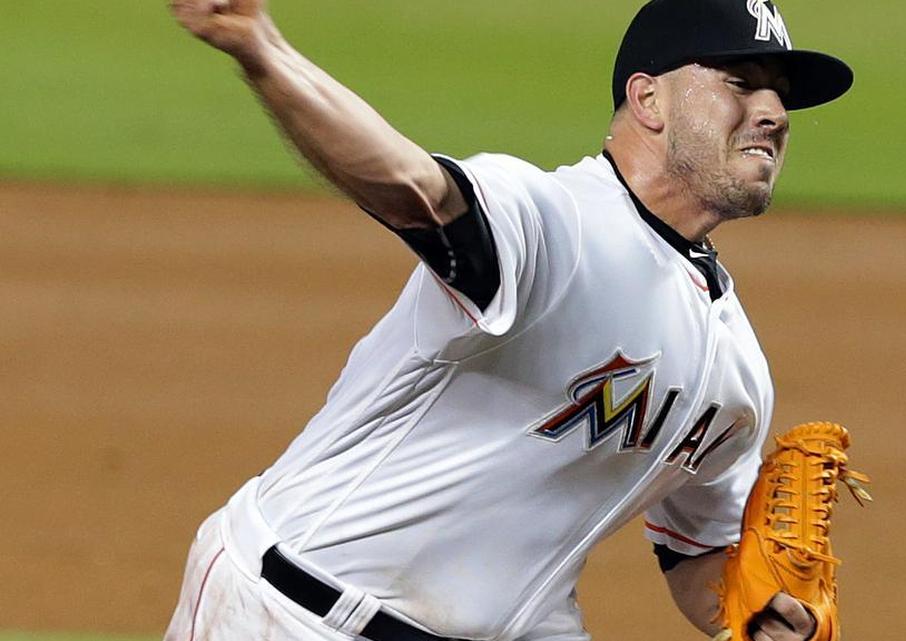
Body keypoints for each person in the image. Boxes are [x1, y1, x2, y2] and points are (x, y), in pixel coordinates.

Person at [166, 1, 853, 640]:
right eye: (741, 83)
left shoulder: (739, 368)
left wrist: (762, 614)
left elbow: (700, 553)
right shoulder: (554, 222)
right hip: (300, 612)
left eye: (781, 96)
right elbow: (413, 187)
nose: (773, 113)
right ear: (649, 100)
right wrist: (263, 50)